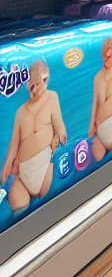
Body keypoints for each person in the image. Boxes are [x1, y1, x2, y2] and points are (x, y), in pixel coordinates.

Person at [2, 60, 67, 214]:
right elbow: (14, 143)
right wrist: (7, 166)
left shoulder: (51, 97)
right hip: (23, 177)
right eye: (33, 84)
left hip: (45, 168)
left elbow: (59, 123)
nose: (37, 90)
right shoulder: (21, 112)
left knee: (49, 209)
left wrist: (59, 135)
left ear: (46, 81)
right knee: (18, 207)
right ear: (27, 83)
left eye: (42, 83)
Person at [89, 38, 112, 163]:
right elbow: (95, 102)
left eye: (110, 56)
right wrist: (92, 126)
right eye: (105, 57)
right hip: (101, 127)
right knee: (97, 157)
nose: (107, 60)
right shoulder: (98, 77)